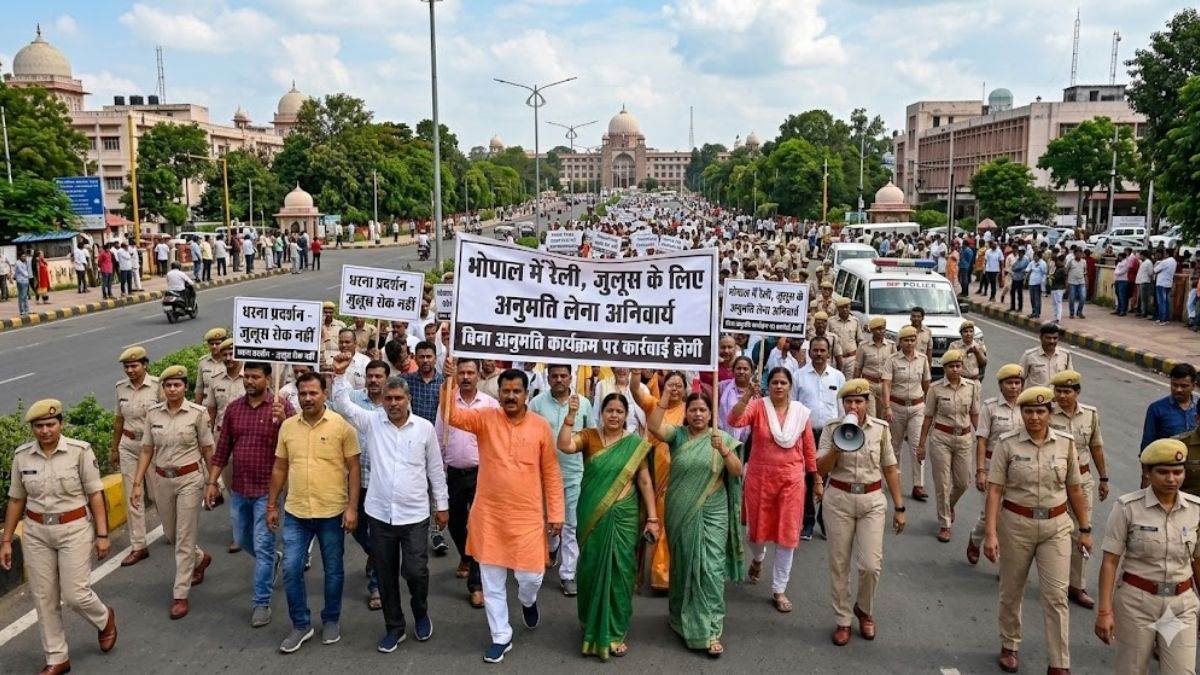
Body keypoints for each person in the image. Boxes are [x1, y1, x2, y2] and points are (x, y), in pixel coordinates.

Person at [440, 358, 564, 664]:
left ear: (526, 394)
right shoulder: (485, 418)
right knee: (492, 581)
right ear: (499, 392)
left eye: (516, 391)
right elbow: (452, 415)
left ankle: (528, 602)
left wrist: (557, 513)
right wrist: (449, 380)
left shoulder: (540, 427)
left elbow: (550, 472)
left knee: (531, 577)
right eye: (505, 391)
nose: (510, 396)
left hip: (527, 518)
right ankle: (501, 636)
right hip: (490, 516)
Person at [330, 355, 447, 652]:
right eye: (388, 398)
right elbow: (344, 406)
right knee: (385, 574)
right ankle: (394, 627)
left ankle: (420, 613)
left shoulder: (424, 429)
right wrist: (340, 376)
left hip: (415, 515)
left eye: (398, 398)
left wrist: (442, 505)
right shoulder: (372, 423)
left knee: (416, 571)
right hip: (380, 515)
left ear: (408, 399)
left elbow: (435, 470)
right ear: (381, 400)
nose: (393, 403)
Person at [1, 399, 118, 675]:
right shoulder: (22, 456)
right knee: (44, 597)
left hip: (74, 528)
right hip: (37, 531)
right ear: (32, 429)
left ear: (61, 424)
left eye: (50, 424)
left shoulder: (79, 452)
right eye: (39, 426)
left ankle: (104, 618)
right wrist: (6, 540)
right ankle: (57, 657)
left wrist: (102, 534)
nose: (45, 431)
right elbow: (16, 500)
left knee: (75, 594)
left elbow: (95, 494)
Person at [983, 386, 1091, 674]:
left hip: (1056, 527)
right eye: (1028, 411)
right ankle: (1010, 644)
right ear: (1021, 413)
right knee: (1011, 589)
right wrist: (991, 533)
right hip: (1016, 525)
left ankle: (1059, 662)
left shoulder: (1065, 444)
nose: (1034, 417)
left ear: (1049, 413)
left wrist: (1085, 528)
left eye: (1040, 411)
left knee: (1056, 596)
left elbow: (1075, 489)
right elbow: (994, 491)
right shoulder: (1007, 444)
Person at [557, 392, 658, 661]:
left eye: (619, 411)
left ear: (626, 416)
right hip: (592, 514)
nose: (614, 415)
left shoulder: (635, 444)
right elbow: (565, 446)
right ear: (601, 413)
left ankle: (614, 631)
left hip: (624, 518)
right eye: (609, 410)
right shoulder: (589, 436)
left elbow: (645, 482)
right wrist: (570, 416)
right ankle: (591, 625)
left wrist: (652, 517)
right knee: (590, 569)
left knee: (620, 574)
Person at [267, 371, 361, 654]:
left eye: (313, 393)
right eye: (303, 393)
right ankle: (300, 624)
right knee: (292, 569)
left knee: (334, 571)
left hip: (332, 512)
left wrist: (352, 507)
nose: (308, 398)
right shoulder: (287, 427)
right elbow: (280, 468)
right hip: (296, 511)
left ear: (325, 394)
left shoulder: (342, 427)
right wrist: (272, 505)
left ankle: (331, 619)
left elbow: (354, 468)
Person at [647, 391, 744, 657]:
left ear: (711, 413)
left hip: (713, 511)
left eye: (703, 410)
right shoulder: (677, 436)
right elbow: (654, 426)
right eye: (693, 410)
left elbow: (737, 471)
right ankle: (680, 619)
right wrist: (666, 395)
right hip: (681, 510)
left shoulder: (721, 438)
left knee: (710, 569)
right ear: (686, 413)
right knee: (684, 564)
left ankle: (710, 630)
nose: (698, 414)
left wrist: (723, 450)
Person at [1095, 438, 1200, 672]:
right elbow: (1110, 562)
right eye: (1163, 472)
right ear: (1148, 472)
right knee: (1132, 669)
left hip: (1179, 606)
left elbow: (1197, 560)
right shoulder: (1128, 507)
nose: (1172, 479)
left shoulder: (1195, 510)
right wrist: (1104, 611)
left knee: (1181, 671)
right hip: (1137, 604)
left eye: (1177, 472)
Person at [816, 379, 906, 646]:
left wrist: (900, 507)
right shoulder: (832, 428)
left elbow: (890, 468)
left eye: (859, 401)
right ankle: (843, 619)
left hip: (871, 500)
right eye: (849, 401)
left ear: (868, 403)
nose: (854, 406)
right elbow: (821, 469)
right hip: (839, 499)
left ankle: (864, 610)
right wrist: (838, 443)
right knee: (839, 563)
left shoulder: (881, 429)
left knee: (870, 565)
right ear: (842, 404)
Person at [205, 361, 294, 627]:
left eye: (256, 377)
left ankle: (261, 602)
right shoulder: (234, 409)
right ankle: (275, 560)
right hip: (240, 489)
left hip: (268, 492)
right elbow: (222, 449)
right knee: (243, 539)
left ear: (268, 378)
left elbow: (297, 441)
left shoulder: (282, 408)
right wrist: (212, 482)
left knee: (264, 546)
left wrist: (285, 421)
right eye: (247, 377)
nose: (249, 381)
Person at [727, 367, 818, 612]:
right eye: (775, 382)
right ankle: (758, 559)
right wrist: (747, 396)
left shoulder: (800, 413)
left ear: (790, 386)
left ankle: (779, 589)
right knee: (756, 532)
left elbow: (809, 449)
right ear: (769, 385)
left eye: (783, 383)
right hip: (760, 478)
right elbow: (733, 420)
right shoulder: (758, 406)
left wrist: (816, 479)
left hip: (791, 480)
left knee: (787, 535)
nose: (778, 386)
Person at [129, 366, 215, 620]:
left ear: (184, 387)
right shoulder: (153, 414)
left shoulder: (197, 414)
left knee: (185, 538)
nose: (172, 389)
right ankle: (200, 558)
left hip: (190, 479)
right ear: (162, 389)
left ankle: (180, 594)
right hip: (162, 480)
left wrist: (213, 482)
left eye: (177, 385)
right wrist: (136, 483)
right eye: (168, 385)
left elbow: (208, 448)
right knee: (171, 534)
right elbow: (146, 449)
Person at [434, 359, 499, 608]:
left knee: (479, 527)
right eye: (461, 372)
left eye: (471, 372)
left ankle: (476, 584)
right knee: (456, 523)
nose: (466, 376)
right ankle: (465, 555)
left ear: (478, 374)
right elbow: (439, 437)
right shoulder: (448, 404)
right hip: (454, 473)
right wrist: (438, 471)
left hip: (482, 473)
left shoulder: (490, 404)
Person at [327, 356, 390, 610]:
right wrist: (339, 375)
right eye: (370, 376)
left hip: (383, 482)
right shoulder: (353, 398)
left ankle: (376, 584)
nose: (374, 380)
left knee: (379, 532)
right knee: (354, 527)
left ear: (387, 379)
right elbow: (339, 404)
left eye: (379, 376)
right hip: (356, 479)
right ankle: (375, 555)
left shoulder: (394, 403)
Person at [529, 363, 595, 596]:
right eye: (554, 376)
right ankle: (550, 549)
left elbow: (591, 438)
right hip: (543, 474)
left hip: (574, 473)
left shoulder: (583, 404)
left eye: (563, 376)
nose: (559, 379)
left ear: (570, 378)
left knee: (571, 524)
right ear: (547, 378)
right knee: (545, 520)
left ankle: (568, 574)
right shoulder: (536, 404)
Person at [1048, 370, 1109, 611]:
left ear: (1077, 392)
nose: (1062, 396)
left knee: (1083, 530)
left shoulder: (1090, 415)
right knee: (1048, 529)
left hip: (1082, 479)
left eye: (1067, 391)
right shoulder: (1047, 413)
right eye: (1059, 391)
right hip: (1054, 479)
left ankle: (1077, 585)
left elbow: (1096, 447)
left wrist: (1104, 477)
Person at [630, 371, 688, 590]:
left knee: (667, 523)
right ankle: (634, 576)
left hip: (676, 473)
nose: (674, 389)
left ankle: (662, 576)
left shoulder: (688, 410)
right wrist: (636, 372)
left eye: (679, 385)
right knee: (642, 521)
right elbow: (635, 389)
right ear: (663, 387)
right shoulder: (653, 405)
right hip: (650, 470)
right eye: (671, 384)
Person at [915, 349, 979, 543]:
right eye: (951, 366)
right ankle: (945, 524)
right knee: (942, 483)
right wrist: (921, 444)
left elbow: (975, 414)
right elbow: (927, 417)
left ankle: (948, 506)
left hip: (965, 439)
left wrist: (984, 436)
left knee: (962, 483)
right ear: (944, 368)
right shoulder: (935, 389)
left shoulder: (972, 387)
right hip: (941, 438)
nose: (955, 369)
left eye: (958, 366)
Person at [966, 364, 1023, 566]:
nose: (1014, 387)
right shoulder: (990, 407)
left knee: (1010, 517)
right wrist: (980, 471)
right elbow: (981, 440)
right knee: (991, 513)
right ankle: (975, 539)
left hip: (1018, 469)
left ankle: (1006, 566)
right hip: (992, 466)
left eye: (1017, 383)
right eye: (1009, 383)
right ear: (1001, 385)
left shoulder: (1028, 408)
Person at [112, 346, 162, 567]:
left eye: (134, 366)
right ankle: (138, 545)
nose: (130, 370)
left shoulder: (158, 385)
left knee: (159, 492)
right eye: (126, 367)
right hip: (129, 445)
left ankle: (172, 530)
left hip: (152, 446)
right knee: (133, 495)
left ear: (145, 365)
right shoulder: (120, 388)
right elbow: (119, 420)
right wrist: (114, 448)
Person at [882, 326, 932, 502]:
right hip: (896, 407)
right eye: (906, 340)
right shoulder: (892, 360)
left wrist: (930, 408)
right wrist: (887, 407)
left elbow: (927, 385)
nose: (909, 343)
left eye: (912, 340)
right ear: (900, 342)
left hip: (917, 408)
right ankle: (894, 478)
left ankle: (918, 485)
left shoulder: (923, 359)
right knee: (894, 445)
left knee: (917, 446)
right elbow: (886, 384)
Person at [1139, 363, 1198, 459]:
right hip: (1169, 467)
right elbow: (1147, 445)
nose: (1178, 389)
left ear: (1193, 386)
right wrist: (1146, 472)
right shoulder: (1156, 409)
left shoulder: (1198, 408)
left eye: (1184, 386)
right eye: (1174, 385)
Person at [855, 317, 895, 419]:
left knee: (883, 416)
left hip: (885, 386)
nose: (881, 331)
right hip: (869, 385)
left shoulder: (891, 346)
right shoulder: (863, 346)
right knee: (871, 417)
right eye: (878, 329)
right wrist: (856, 387)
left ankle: (881, 435)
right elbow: (858, 368)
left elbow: (895, 367)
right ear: (872, 330)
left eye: (883, 328)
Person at [1018, 323, 1073, 388]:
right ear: (1041, 338)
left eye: (1055, 338)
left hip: (1057, 397)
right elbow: (1020, 379)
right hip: (1036, 397)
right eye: (1048, 338)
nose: (1052, 341)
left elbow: (1070, 379)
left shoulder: (1065, 355)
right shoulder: (1029, 355)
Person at [194, 328, 229, 407]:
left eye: (217, 343)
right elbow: (199, 389)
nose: (214, 346)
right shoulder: (203, 362)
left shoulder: (230, 362)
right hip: (207, 406)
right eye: (211, 344)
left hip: (225, 405)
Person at [1153, 248, 1178, 325]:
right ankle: (1166, 319)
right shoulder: (1174, 262)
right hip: (1168, 283)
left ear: (1166, 254)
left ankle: (1162, 319)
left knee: (1161, 302)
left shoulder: (1165, 262)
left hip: (1161, 283)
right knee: (1166, 302)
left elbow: (1155, 270)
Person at [1066, 248, 1087, 319]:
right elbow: (1066, 271)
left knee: (1083, 297)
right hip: (1072, 282)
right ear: (1074, 254)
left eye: (1080, 253)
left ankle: (1079, 312)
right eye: (1077, 253)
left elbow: (1085, 272)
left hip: (1081, 282)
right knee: (1072, 298)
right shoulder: (1071, 262)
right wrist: (1066, 283)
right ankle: (1072, 313)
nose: (1079, 255)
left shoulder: (1084, 262)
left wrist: (1086, 282)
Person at [14, 249, 31, 316]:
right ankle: (23, 311)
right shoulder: (18, 263)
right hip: (21, 281)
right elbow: (22, 272)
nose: (24, 257)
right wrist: (28, 276)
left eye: (25, 256)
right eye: (23, 256)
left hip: (25, 281)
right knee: (23, 296)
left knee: (24, 296)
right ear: (19, 257)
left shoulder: (25, 262)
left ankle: (25, 310)